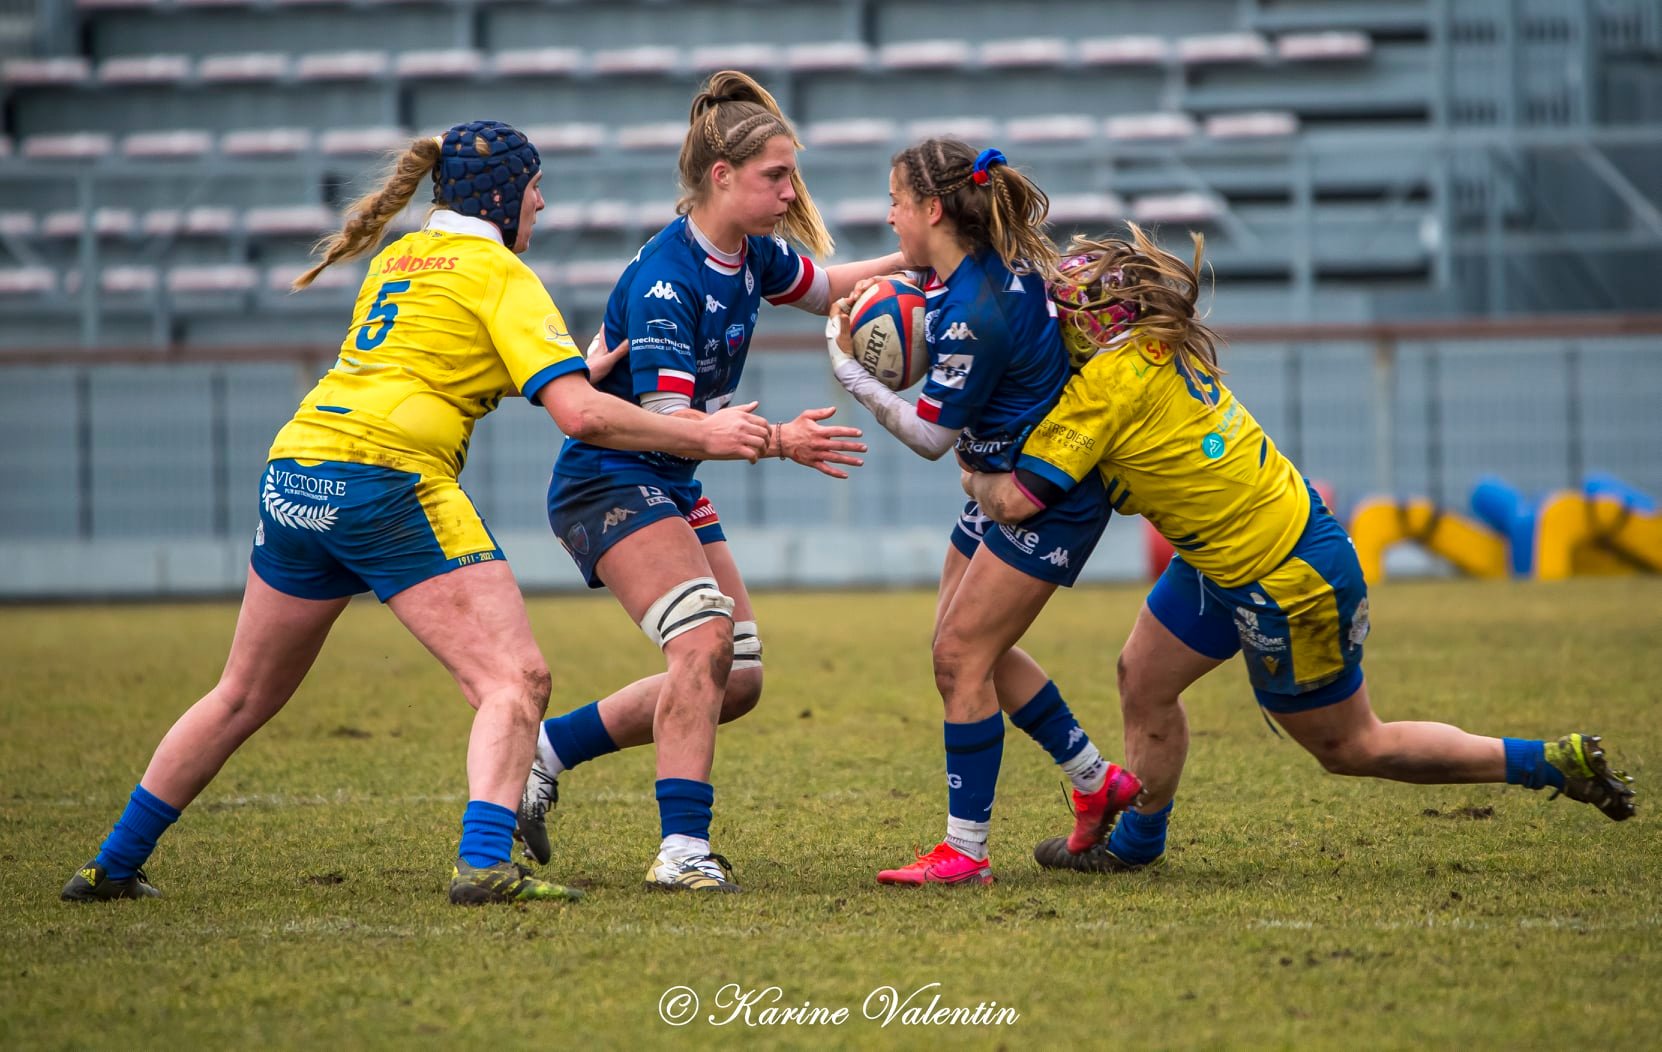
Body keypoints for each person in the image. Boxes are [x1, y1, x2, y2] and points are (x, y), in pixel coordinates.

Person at [60, 120, 771, 906]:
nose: (541, 204)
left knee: (241, 694)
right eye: (535, 189)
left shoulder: (399, 258)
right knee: (515, 678)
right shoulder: (499, 272)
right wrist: (706, 432)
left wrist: (570, 364)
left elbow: (431, 363)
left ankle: (111, 863)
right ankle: (484, 863)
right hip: (388, 482)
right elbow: (581, 416)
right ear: (503, 196)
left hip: (297, 471)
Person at [961, 224, 1638, 874]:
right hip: (1227, 552)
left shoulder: (1106, 386)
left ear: (1101, 325)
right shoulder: (1147, 347)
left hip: (1286, 577)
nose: (1054, 321)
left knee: (1352, 745)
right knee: (1144, 677)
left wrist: (966, 462)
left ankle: (1547, 763)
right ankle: (1136, 845)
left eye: (1066, 311)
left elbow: (1015, 501)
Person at [516, 71, 907, 893]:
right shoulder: (669, 280)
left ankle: (543, 753)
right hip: (609, 478)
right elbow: (675, 423)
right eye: (777, 176)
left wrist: (923, 261)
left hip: (668, 480)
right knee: (701, 640)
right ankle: (681, 851)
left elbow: (829, 288)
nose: (791, 192)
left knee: (741, 676)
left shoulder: (749, 252)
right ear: (722, 177)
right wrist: (780, 441)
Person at [820, 138, 1143, 887]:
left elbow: (932, 438)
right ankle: (1095, 780)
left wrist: (849, 371)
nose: (890, 216)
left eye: (896, 202)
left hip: (1042, 499)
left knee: (959, 657)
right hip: (1001, 481)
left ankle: (965, 852)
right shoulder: (978, 268)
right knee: (965, 649)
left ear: (934, 209)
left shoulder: (972, 310)